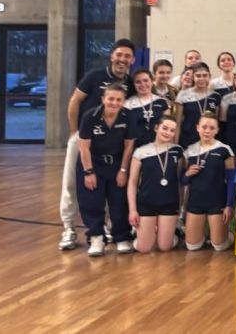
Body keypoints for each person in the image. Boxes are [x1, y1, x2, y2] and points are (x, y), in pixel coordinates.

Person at [59, 38, 135, 251]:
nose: (122, 59)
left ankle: (108, 230)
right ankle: (68, 228)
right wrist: (74, 132)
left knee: (110, 189)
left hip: (110, 143)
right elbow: (74, 101)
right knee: (72, 184)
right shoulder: (94, 76)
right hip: (84, 139)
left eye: (127, 56)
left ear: (132, 60)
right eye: (119, 55)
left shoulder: (130, 84)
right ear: (112, 56)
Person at [76, 82, 136, 256]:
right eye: (110, 99)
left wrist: (123, 170)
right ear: (103, 99)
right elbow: (84, 147)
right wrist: (89, 172)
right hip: (93, 163)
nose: (114, 103)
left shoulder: (128, 116)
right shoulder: (90, 116)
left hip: (117, 163)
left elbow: (129, 146)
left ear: (123, 101)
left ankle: (121, 237)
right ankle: (96, 237)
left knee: (119, 201)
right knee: (92, 200)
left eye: (118, 100)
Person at [127, 114, 182, 253]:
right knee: (144, 249)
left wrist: (181, 207)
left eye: (172, 130)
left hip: (169, 203)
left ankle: (171, 232)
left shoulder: (178, 151)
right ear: (156, 128)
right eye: (165, 128)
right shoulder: (141, 151)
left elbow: (180, 181)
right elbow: (132, 183)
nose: (168, 132)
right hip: (146, 202)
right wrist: (133, 210)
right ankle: (141, 233)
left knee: (164, 247)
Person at [183, 112, 236, 251]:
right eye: (204, 127)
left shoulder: (225, 149)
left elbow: (231, 180)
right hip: (196, 201)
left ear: (217, 130)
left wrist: (229, 205)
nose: (207, 131)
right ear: (197, 127)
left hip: (217, 202)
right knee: (192, 246)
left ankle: (229, 235)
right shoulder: (189, 150)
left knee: (219, 246)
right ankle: (204, 235)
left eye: (212, 128)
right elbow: (182, 181)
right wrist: (187, 174)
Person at [175, 62, 221, 149]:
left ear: (209, 76)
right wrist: (175, 145)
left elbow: (216, 122)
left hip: (208, 142)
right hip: (187, 141)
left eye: (205, 75)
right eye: (198, 76)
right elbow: (178, 123)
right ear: (193, 77)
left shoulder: (216, 96)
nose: (201, 79)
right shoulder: (183, 95)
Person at [124, 67, 171, 149]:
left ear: (152, 81)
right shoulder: (127, 104)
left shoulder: (161, 102)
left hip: (158, 148)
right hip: (136, 149)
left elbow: (168, 127)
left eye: (145, 80)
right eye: (138, 82)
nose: (142, 84)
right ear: (134, 84)